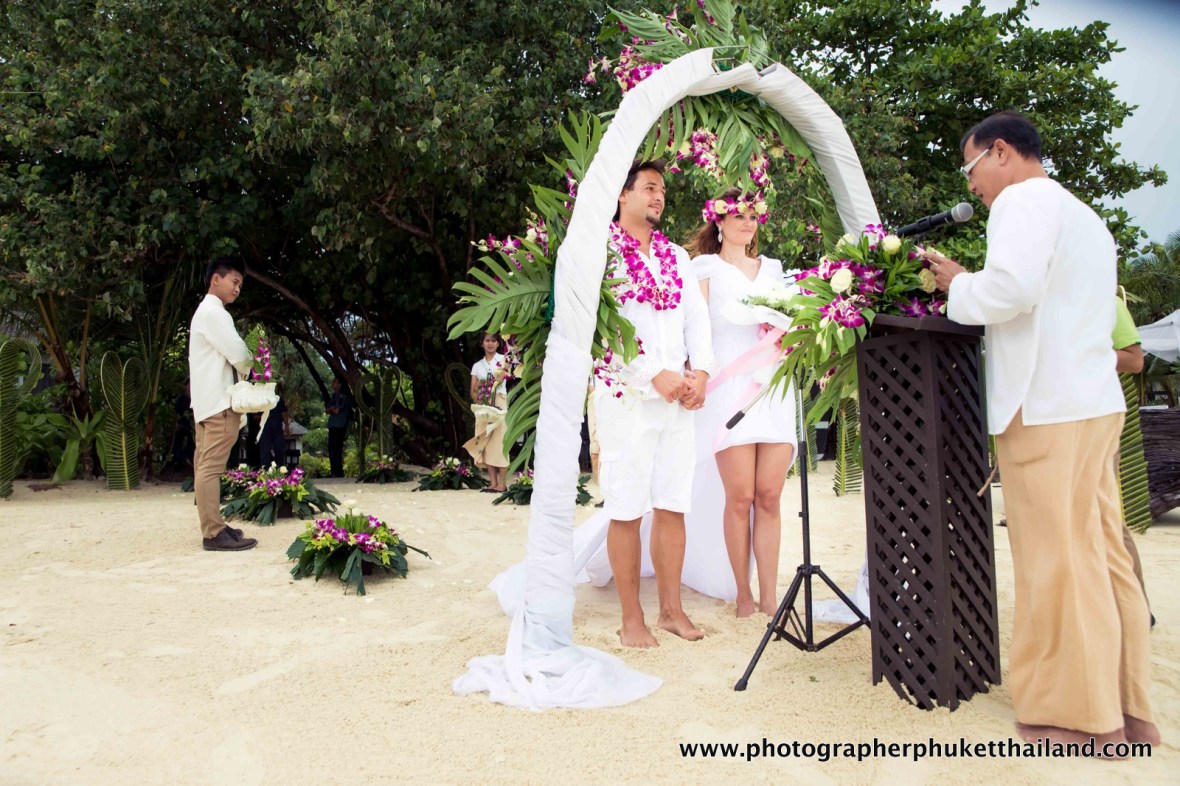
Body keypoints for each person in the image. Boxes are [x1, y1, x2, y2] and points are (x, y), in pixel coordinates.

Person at [928, 110, 1158, 750]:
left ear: (1001, 152)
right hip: (1091, 399)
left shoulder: (1023, 202)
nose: (972, 185)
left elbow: (1011, 291)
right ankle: (1125, 706)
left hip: (1046, 404)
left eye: (971, 169)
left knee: (1055, 560)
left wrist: (957, 283)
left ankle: (1073, 715)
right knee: (1101, 551)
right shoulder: (1083, 213)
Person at [595, 159, 717, 648]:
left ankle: (671, 611)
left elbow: (697, 322)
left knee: (672, 504)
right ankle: (631, 620)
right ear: (622, 196)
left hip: (676, 402)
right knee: (626, 508)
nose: (659, 196)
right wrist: (653, 375)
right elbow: (601, 331)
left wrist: (700, 374)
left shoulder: (676, 257)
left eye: (662, 189)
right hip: (627, 398)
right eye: (649, 187)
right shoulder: (600, 251)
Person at [685, 187, 798, 616]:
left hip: (774, 387)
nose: (748, 222)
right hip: (729, 389)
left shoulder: (774, 268)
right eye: (739, 216)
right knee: (741, 496)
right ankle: (743, 592)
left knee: (769, 495)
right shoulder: (704, 268)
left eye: (754, 216)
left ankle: (769, 594)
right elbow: (694, 330)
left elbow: (791, 317)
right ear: (720, 222)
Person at [188, 258, 258, 552]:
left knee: (204, 465)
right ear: (215, 279)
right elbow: (240, 354)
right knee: (211, 468)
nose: (238, 288)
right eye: (234, 281)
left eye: (241, 284)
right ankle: (214, 533)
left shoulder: (205, 312)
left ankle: (213, 526)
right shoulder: (215, 313)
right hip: (219, 403)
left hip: (206, 403)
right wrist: (250, 365)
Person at [1112, 293, 1153, 624]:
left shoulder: (1109, 302)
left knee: (1106, 516)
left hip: (1094, 417)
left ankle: (1137, 606)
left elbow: (1134, 360)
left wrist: (1078, 352)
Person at [464, 332, 510, 492]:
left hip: (499, 401)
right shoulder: (477, 365)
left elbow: (505, 378)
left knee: (500, 441)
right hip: (483, 405)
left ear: (498, 343)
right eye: (487, 340)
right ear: (482, 343)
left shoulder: (503, 360)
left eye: (493, 341)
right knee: (486, 441)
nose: (490, 343)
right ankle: (493, 482)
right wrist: (480, 400)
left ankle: (502, 483)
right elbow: (473, 390)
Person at [257, 391, 290, 470]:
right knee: (265, 451)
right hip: (265, 429)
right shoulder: (261, 400)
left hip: (277, 428)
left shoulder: (278, 399)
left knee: (279, 449)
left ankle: (280, 469)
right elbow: (256, 416)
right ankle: (265, 469)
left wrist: (287, 426)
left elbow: (284, 412)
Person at [326, 377, 349, 477]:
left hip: (339, 425)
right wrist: (331, 409)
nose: (332, 383)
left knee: (336, 448)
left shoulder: (341, 396)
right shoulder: (334, 396)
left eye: (335, 381)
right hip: (333, 424)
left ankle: (337, 472)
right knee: (332, 448)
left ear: (339, 384)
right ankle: (334, 471)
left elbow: (336, 410)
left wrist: (331, 409)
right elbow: (328, 409)